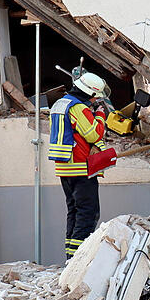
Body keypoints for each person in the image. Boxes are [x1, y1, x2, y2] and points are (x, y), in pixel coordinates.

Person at [48, 72, 109, 259]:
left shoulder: (60, 104)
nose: (94, 100)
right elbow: (93, 134)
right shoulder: (78, 107)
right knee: (88, 214)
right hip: (81, 168)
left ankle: (70, 257)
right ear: (90, 94)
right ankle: (79, 259)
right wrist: (99, 114)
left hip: (65, 168)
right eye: (95, 97)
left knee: (74, 212)